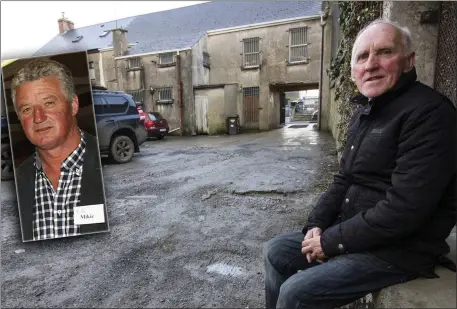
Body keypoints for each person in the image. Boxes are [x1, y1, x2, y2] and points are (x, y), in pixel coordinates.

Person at [264, 18, 456, 309]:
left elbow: (404, 209)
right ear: (353, 71)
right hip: (355, 232)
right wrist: (316, 225)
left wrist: (330, 243)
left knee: (296, 293)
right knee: (275, 250)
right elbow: (345, 178)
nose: (371, 64)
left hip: (399, 250)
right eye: (362, 56)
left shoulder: (430, 114)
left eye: (385, 52)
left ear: (408, 61)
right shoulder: (366, 112)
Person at [11, 58, 108, 242]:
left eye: (49, 103)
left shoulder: (105, 163)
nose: (38, 117)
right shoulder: (18, 180)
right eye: (26, 109)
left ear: (73, 105)